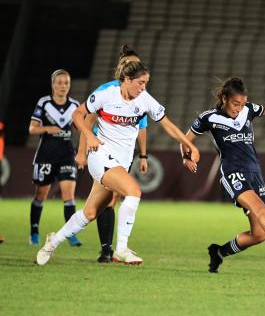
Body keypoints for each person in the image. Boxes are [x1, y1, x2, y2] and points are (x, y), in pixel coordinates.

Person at [36, 60, 200, 266]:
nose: (143, 87)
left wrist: (189, 145)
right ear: (127, 80)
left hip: (120, 162)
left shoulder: (144, 100)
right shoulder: (106, 93)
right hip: (100, 154)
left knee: (90, 213)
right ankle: (121, 249)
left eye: (146, 83)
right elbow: (77, 114)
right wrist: (89, 138)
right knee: (134, 191)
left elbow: (167, 124)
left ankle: (53, 241)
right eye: (140, 83)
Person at [181, 77, 265, 273]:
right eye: (235, 104)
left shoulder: (248, 110)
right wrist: (186, 157)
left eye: (242, 104)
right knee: (260, 210)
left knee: (259, 235)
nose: (239, 108)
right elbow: (185, 139)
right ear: (224, 99)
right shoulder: (208, 118)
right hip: (233, 172)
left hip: (254, 172)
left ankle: (218, 252)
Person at [75, 44, 149, 263]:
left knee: (107, 200)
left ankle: (107, 249)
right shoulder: (106, 90)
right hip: (102, 149)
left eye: (135, 64)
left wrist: (143, 155)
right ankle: (109, 249)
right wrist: (81, 152)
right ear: (121, 67)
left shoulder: (139, 94)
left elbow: (142, 127)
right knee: (107, 199)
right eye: (128, 63)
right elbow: (86, 119)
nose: (131, 66)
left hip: (124, 153)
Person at [28, 69, 82, 246]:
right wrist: (47, 129)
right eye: (59, 82)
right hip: (46, 156)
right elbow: (32, 128)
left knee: (69, 196)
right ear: (52, 84)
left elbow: (82, 127)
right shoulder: (44, 103)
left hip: (67, 155)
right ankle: (34, 230)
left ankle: (71, 234)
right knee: (41, 195)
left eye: (66, 83)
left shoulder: (75, 105)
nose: (63, 86)